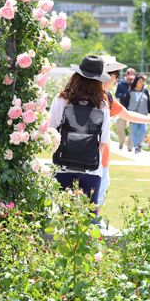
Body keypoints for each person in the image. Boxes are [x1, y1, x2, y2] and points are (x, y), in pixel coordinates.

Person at [98, 57, 150, 208]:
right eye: (115, 78)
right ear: (108, 77)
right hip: (98, 158)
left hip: (81, 156)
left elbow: (128, 114)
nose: (115, 82)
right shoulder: (103, 97)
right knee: (96, 198)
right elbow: (128, 115)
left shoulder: (102, 97)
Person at [49, 55, 111, 207]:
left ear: (77, 75)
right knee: (87, 217)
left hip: (63, 165)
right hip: (91, 170)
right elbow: (103, 142)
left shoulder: (61, 99)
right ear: (98, 80)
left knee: (64, 218)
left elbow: (52, 132)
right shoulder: (102, 106)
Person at [121, 75, 150, 154]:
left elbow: (148, 101)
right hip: (133, 115)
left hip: (143, 115)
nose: (141, 83)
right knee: (134, 131)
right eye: (140, 81)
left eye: (142, 81)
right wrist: (126, 112)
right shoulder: (130, 92)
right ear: (136, 82)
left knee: (143, 131)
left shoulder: (145, 91)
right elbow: (125, 102)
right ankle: (136, 145)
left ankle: (139, 144)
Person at [115, 68, 136, 151]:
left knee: (132, 129)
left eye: (132, 78)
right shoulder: (121, 84)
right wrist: (125, 95)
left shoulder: (135, 84)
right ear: (126, 75)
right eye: (129, 77)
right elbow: (117, 95)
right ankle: (121, 142)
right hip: (123, 109)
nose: (131, 79)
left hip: (133, 109)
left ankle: (130, 147)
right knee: (120, 127)